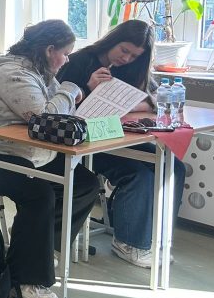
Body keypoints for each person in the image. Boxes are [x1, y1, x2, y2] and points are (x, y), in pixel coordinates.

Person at [0, 19, 101, 298]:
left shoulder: (41, 73)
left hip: (25, 152)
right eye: (65, 53)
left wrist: (71, 95)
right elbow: (44, 118)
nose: (67, 60)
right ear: (49, 50)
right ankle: (28, 278)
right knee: (39, 195)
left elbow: (58, 115)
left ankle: (41, 249)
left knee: (85, 183)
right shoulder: (13, 74)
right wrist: (70, 90)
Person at [56, 19, 187, 268]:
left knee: (174, 166)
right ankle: (129, 243)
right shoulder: (81, 60)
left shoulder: (133, 68)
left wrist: (134, 104)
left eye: (134, 55)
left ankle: (157, 238)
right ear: (113, 41)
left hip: (116, 136)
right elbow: (59, 108)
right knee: (138, 175)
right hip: (84, 141)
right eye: (124, 50)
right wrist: (88, 88)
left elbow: (154, 98)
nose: (126, 58)